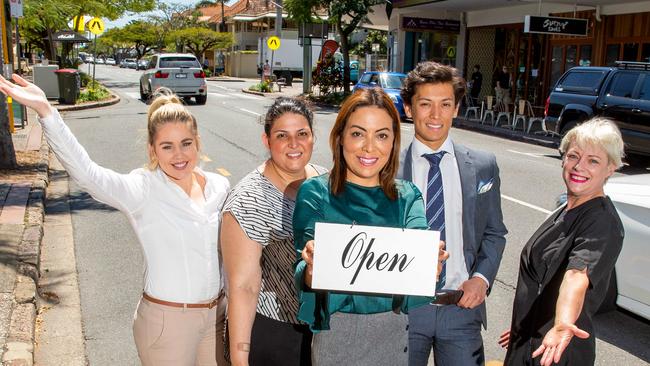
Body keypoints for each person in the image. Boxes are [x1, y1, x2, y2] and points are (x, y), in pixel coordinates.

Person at [0, 75, 230, 366]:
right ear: (152, 150)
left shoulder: (218, 186)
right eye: (167, 146)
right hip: (168, 323)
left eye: (186, 143)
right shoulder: (142, 189)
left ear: (197, 143)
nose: (179, 155)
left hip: (215, 319)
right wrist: (47, 112)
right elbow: (88, 174)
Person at [294, 87, 448, 366]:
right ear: (339, 137)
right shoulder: (315, 193)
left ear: (393, 142)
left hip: (393, 335)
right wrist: (310, 270)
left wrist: (432, 264)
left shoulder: (408, 196)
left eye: (382, 135)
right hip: (336, 339)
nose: (369, 147)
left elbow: (421, 263)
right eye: (357, 133)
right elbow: (302, 270)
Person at [398, 61, 507, 366]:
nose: (436, 115)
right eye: (425, 104)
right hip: (403, 311)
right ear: (409, 108)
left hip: (460, 309)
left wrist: (481, 279)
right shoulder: (387, 168)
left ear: (456, 108)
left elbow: (494, 233)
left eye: (445, 104)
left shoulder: (483, 165)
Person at [499, 118, 625, 366]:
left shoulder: (601, 222)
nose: (579, 166)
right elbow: (543, 279)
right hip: (532, 341)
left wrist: (562, 323)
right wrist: (526, 324)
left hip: (556, 351)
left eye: (593, 161)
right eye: (573, 156)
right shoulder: (568, 208)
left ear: (610, 168)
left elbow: (576, 276)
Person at [221, 97, 326, 366]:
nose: (294, 144)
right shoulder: (249, 199)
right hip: (275, 334)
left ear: (313, 137)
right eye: (282, 135)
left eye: (302, 133)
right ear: (267, 141)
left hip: (323, 332)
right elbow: (243, 288)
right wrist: (240, 360)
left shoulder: (327, 182)